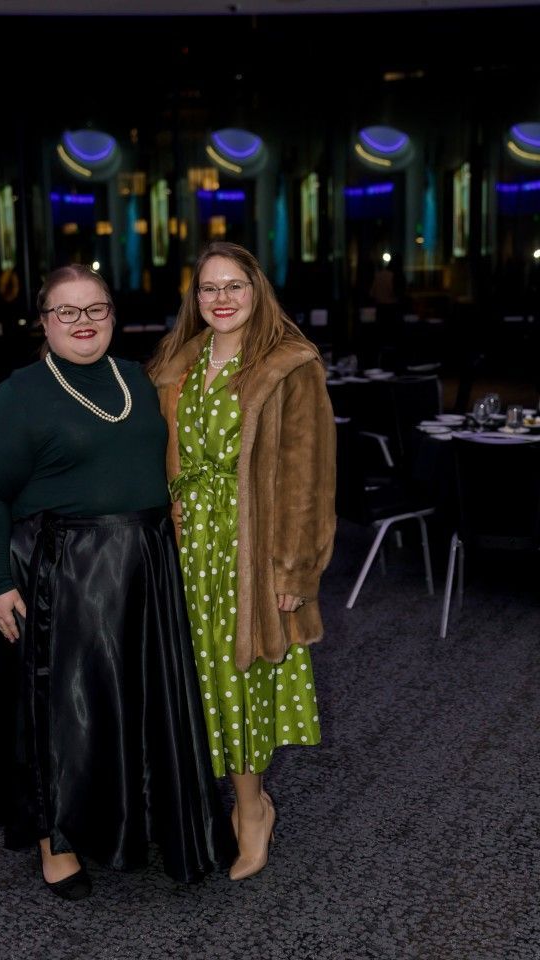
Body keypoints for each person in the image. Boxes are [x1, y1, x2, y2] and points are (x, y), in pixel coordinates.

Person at [0, 263, 233, 901]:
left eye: (96, 309)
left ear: (113, 314)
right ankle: (56, 845)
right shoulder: (20, 394)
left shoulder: (138, 379)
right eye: (67, 311)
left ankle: (133, 820)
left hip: (144, 565)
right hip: (65, 571)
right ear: (44, 320)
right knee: (62, 714)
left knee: (135, 705)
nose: (83, 322)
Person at [147, 242, 337, 881]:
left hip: (251, 550)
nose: (220, 299)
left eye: (234, 286)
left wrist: (295, 572)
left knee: (240, 683)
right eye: (208, 289)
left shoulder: (289, 364)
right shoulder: (179, 362)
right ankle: (223, 801)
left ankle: (252, 809)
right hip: (187, 549)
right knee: (198, 686)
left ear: (258, 292)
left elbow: (308, 478)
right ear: (194, 298)